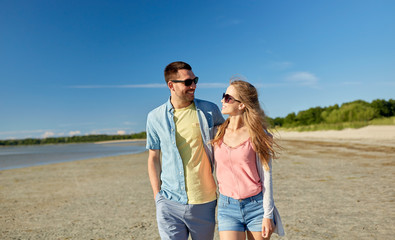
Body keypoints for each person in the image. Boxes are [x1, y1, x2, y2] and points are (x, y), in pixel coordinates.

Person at [146, 61, 225, 240]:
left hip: (204, 201)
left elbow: (228, 142)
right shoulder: (154, 117)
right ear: (171, 85)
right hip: (169, 201)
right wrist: (157, 195)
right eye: (188, 82)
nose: (194, 86)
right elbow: (153, 158)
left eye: (195, 80)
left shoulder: (209, 110)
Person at [212, 80, 284, 240]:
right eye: (223, 96)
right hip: (227, 207)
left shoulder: (258, 135)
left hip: (256, 207)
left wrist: (268, 214)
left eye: (228, 97)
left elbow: (266, 177)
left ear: (242, 105)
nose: (222, 100)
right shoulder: (216, 134)